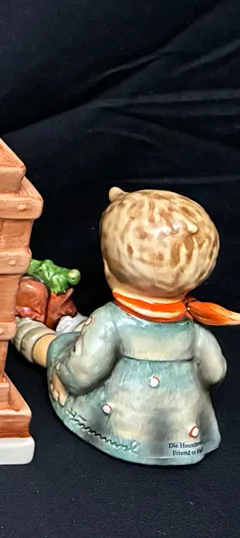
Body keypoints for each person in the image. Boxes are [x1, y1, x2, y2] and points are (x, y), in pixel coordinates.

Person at [14, 187, 235, 465]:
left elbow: (80, 374)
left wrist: (61, 368)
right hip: (183, 429)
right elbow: (216, 371)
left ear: (108, 268)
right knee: (76, 336)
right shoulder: (192, 329)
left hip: (117, 424)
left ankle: (22, 330)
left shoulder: (110, 321)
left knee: (55, 347)